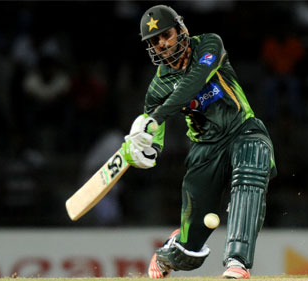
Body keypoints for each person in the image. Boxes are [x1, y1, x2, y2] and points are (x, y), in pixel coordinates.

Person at [121, 5, 277, 279]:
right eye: (154, 42)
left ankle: (237, 263)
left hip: (243, 129)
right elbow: (154, 142)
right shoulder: (157, 89)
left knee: (252, 164)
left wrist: (154, 117)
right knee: (188, 254)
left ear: (181, 30)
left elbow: (192, 83)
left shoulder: (209, 44)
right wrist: (143, 151)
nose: (162, 44)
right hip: (205, 151)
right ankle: (170, 250)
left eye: (165, 35)